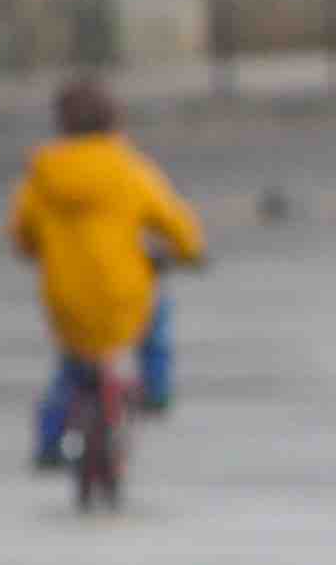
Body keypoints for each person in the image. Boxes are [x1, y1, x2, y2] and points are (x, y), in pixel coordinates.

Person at [13, 76, 204, 470]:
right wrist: (191, 252)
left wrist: (36, 249)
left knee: (71, 369)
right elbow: (172, 219)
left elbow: (22, 233)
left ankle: (50, 442)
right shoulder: (129, 170)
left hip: (66, 300)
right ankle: (156, 388)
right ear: (115, 122)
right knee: (156, 317)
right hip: (124, 296)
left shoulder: (43, 176)